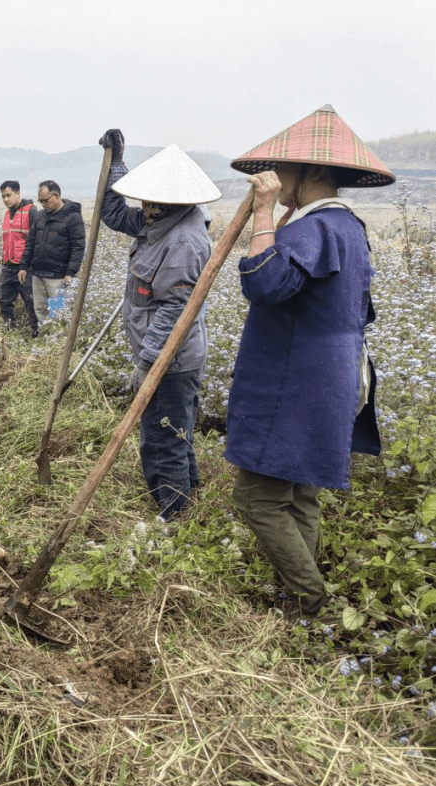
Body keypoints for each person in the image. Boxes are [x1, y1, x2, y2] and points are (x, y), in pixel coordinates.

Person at [226, 105, 392, 623]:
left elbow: (265, 284)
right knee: (298, 493)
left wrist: (264, 215)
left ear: (315, 171)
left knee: (257, 497)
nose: (278, 179)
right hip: (333, 375)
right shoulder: (350, 228)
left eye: (287, 169)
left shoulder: (313, 229)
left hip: (296, 380)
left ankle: (312, 602)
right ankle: (298, 600)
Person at [99, 133, 219, 519]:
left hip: (172, 360)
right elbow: (114, 215)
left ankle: (173, 515)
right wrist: (116, 161)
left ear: (174, 201)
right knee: (177, 432)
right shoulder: (160, 221)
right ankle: (189, 502)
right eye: (144, 200)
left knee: (162, 438)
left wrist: (147, 364)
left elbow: (174, 310)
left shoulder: (184, 239)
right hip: (167, 357)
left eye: (152, 201)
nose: (145, 208)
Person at [18, 180, 85, 327]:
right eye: (41, 201)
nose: (43, 204)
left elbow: (78, 247)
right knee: (40, 309)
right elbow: (30, 243)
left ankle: (57, 342)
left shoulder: (73, 217)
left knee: (57, 312)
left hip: (57, 278)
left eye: (45, 201)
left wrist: (70, 272)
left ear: (56, 196)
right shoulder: (41, 216)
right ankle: (45, 338)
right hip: (38, 275)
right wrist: (24, 266)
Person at [0, 180, 39, 336]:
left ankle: (36, 333)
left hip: (25, 267)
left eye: (8, 195)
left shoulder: (31, 211)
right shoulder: (7, 214)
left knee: (31, 300)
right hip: (8, 265)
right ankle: (10, 330)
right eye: (3, 197)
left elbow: (37, 239)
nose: (6, 200)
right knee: (3, 299)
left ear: (17, 194)